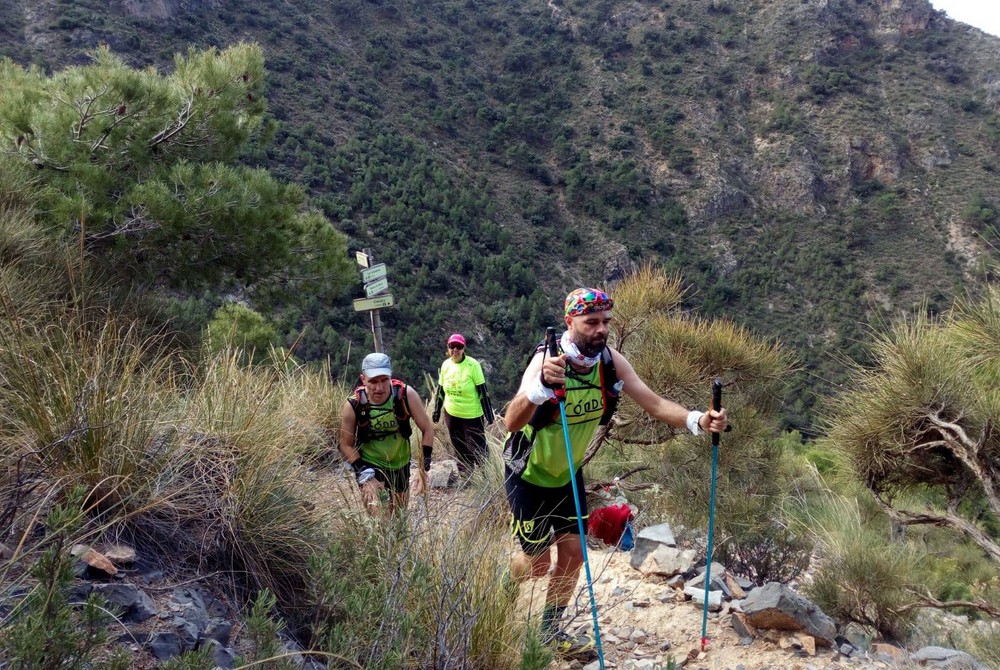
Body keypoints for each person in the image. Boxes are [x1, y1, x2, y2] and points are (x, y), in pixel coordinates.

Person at [502, 288, 728, 657]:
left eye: (606, 322)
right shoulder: (547, 362)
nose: (601, 329)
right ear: (569, 322)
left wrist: (698, 420)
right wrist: (539, 389)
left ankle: (549, 632)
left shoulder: (609, 362)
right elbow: (512, 422)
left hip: (567, 474)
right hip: (528, 474)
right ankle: (499, 594)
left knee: (574, 555)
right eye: (591, 322)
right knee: (537, 564)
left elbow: (654, 403)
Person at [340, 352, 436, 516]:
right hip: (370, 465)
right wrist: (363, 472)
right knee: (379, 521)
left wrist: (423, 468)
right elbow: (345, 444)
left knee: (399, 517)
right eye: (373, 381)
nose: (380, 387)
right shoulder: (354, 405)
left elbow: (427, 428)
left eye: (384, 380)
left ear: (390, 377)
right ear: (363, 379)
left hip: (400, 464)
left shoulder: (405, 395)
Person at [431, 333, 495, 472]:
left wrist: (489, 415)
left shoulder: (473, 365)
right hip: (452, 414)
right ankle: (466, 476)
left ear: (463, 348)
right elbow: (440, 390)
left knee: (478, 448)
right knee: (459, 446)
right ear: (448, 348)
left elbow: (482, 391)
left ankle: (487, 475)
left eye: (458, 346)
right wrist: (436, 411)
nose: (455, 349)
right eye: (452, 346)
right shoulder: (446, 365)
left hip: (471, 415)